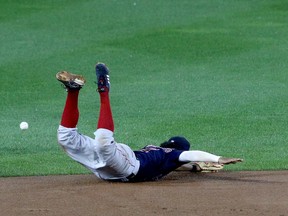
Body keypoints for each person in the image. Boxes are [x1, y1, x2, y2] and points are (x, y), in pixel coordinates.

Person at [56, 62, 243, 182]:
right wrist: (210, 161)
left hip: (119, 166)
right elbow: (188, 158)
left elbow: (188, 158)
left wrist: (210, 162)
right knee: (82, 140)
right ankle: (88, 90)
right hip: (116, 168)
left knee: (84, 140)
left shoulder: (164, 153)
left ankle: (89, 90)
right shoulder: (168, 158)